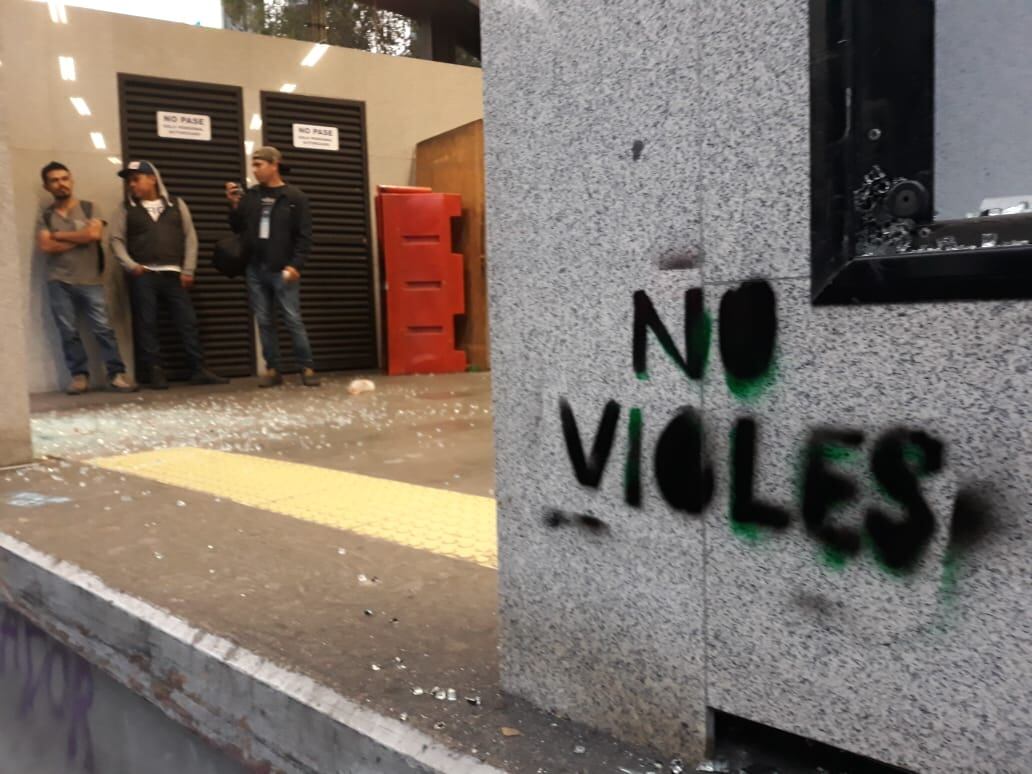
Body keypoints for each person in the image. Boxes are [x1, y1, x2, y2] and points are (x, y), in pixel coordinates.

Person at [110, 161, 227, 389]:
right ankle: (155, 372)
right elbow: (115, 240)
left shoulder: (176, 204)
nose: (131, 185)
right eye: (129, 181)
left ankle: (197, 369)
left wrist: (188, 269)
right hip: (144, 274)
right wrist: (131, 266)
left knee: (187, 322)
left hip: (174, 274)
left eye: (136, 179)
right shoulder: (125, 208)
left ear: (152, 179)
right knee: (147, 324)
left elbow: (190, 237)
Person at [36, 161, 135, 395]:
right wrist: (80, 237)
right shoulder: (46, 216)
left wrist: (59, 235)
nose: (61, 184)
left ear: (71, 180)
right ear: (47, 186)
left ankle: (116, 375)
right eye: (54, 180)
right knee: (68, 331)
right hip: (58, 280)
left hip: (91, 280)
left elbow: (94, 234)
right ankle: (79, 376)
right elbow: (46, 246)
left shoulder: (90, 208)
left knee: (103, 328)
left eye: (64, 178)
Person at [226, 146, 320, 387]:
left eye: (259, 165)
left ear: (274, 165)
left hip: (283, 269)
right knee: (264, 321)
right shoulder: (251, 196)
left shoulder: (294, 197)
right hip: (256, 268)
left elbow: (304, 236)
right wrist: (234, 205)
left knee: (292, 319)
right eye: (253, 165)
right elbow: (237, 228)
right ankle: (273, 369)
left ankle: (307, 367)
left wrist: (296, 265)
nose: (254, 170)